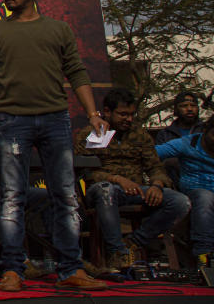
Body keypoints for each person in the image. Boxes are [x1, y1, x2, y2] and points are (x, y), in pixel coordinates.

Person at [0, 0, 107, 292]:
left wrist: (93, 113)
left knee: (64, 194)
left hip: (55, 119)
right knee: (12, 197)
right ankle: (13, 268)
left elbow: (76, 71)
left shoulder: (58, 29)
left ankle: (71, 269)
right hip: (12, 121)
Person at [75, 88, 190, 271]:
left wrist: (157, 185)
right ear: (107, 112)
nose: (128, 119)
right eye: (122, 114)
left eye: (131, 115)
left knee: (180, 201)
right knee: (106, 190)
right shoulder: (96, 133)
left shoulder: (139, 134)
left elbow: (155, 167)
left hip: (138, 190)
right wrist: (117, 179)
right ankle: (117, 252)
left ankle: (132, 243)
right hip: (104, 189)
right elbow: (85, 172)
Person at [156, 114, 214, 267]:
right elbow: (153, 154)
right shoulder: (189, 143)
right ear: (206, 130)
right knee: (205, 198)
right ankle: (204, 255)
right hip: (197, 191)